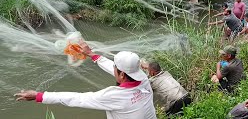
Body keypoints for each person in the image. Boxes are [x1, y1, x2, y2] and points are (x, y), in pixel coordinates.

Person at [14, 41, 157, 119]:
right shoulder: (143, 79)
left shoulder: (114, 96)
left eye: (115, 67)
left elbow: (77, 98)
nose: (112, 68)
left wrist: (39, 96)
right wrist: (91, 54)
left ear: (122, 75)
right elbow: (114, 68)